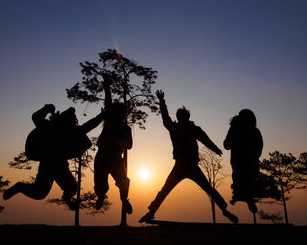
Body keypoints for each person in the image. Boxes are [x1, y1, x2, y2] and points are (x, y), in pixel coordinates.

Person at [139, 90, 238, 223]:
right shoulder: (175, 128)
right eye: (180, 117)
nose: (182, 119)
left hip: (190, 166)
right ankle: (151, 212)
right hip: (180, 165)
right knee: (167, 189)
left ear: (187, 118)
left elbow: (205, 139)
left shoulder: (193, 129)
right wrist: (162, 102)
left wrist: (216, 149)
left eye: (183, 117)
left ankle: (225, 211)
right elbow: (165, 118)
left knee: (205, 188)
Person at [3, 103, 105, 210]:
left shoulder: (74, 131)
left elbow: (91, 124)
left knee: (71, 187)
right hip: (48, 164)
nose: (69, 121)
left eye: (71, 119)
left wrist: (102, 115)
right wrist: (46, 108)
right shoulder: (49, 126)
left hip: (61, 166)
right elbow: (36, 117)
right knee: (39, 193)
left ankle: (68, 199)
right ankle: (20, 187)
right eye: (68, 118)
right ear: (61, 119)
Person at [94, 75, 133, 214]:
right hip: (104, 156)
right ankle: (101, 196)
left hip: (115, 158)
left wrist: (116, 142)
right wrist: (106, 85)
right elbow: (108, 100)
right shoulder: (110, 120)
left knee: (123, 182)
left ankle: (124, 200)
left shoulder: (125, 128)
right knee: (100, 182)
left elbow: (129, 144)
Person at [223, 109, 263, 213]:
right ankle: (244, 197)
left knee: (240, 181)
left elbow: (226, 145)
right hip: (251, 164)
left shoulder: (235, 128)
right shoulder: (255, 131)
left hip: (239, 163)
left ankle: (239, 195)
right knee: (247, 183)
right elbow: (259, 149)